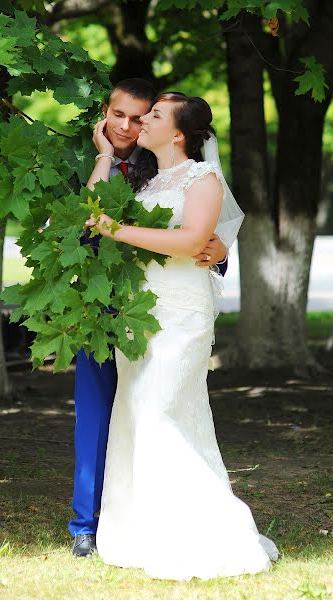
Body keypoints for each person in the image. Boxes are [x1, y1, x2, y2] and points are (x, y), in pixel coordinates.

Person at [85, 91, 279, 581]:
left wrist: (119, 231)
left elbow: (194, 240)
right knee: (136, 413)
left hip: (183, 313)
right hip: (141, 313)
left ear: (177, 132)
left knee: (157, 408)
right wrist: (105, 158)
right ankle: (143, 532)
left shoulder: (203, 177)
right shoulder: (149, 182)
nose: (142, 122)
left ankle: (206, 533)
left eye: (153, 115)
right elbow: (93, 211)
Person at [69, 79, 229, 557]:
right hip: (99, 307)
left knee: (155, 410)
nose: (129, 126)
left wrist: (218, 250)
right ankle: (90, 524)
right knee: (106, 415)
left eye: (142, 117)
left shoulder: (167, 167)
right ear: (104, 112)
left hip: (165, 307)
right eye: (120, 115)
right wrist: (100, 158)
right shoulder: (77, 162)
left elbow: (203, 236)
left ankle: (170, 525)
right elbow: (81, 219)